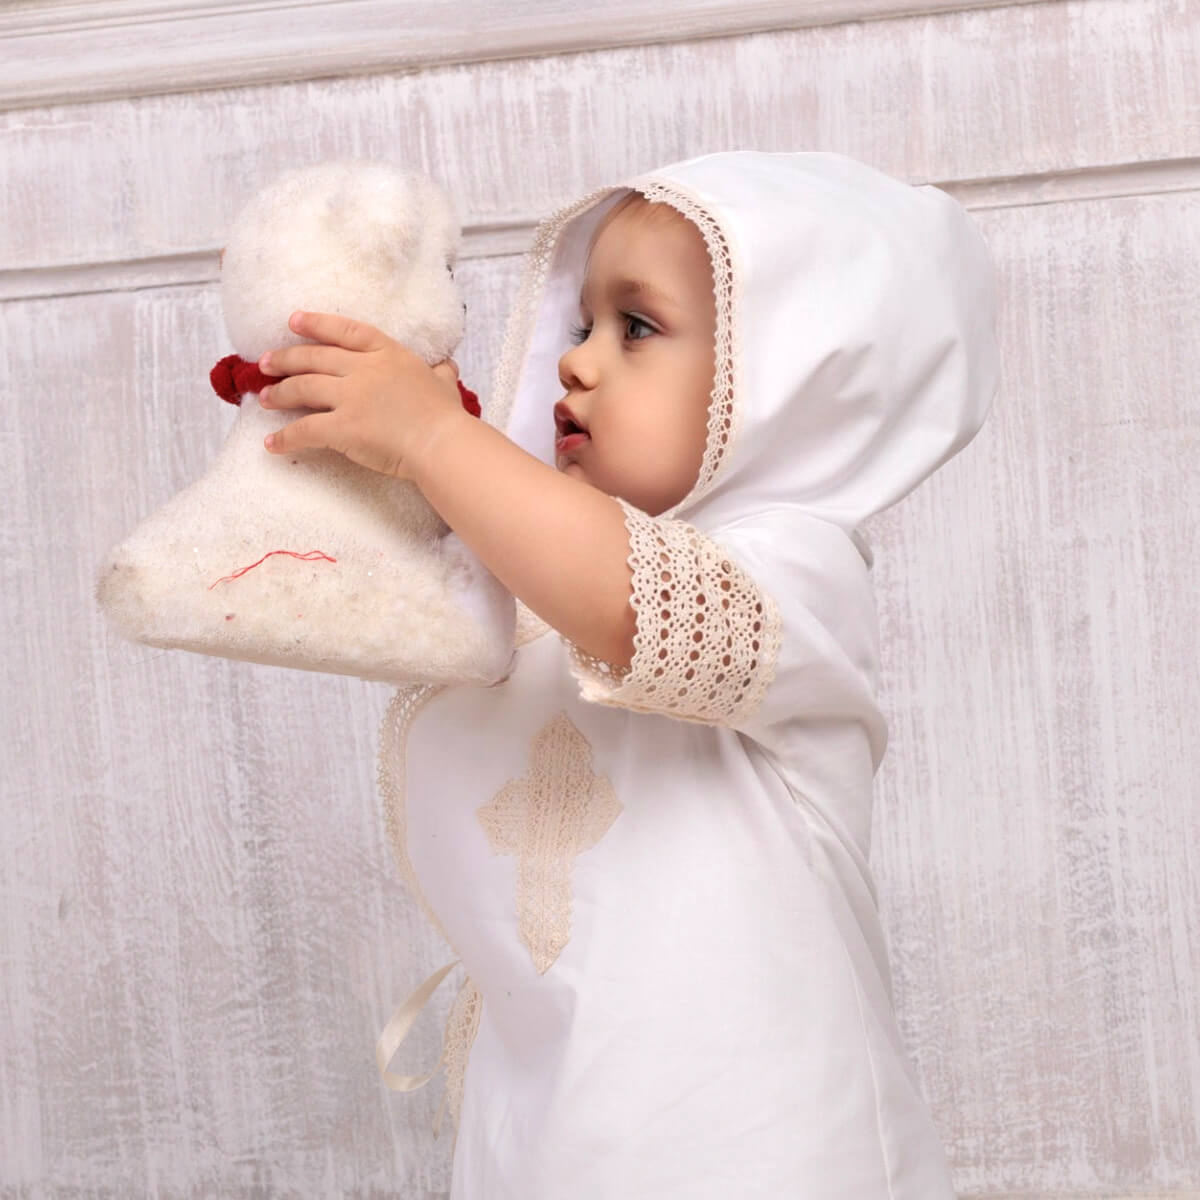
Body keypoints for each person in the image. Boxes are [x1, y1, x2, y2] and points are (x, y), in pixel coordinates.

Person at [254, 149, 1000, 1198]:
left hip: (771, 1146)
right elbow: (413, 590)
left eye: (635, 328)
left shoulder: (792, 571)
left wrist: (433, 438)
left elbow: (624, 597)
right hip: (553, 1122)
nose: (578, 362)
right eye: (578, 323)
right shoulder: (529, 596)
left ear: (787, 377)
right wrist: (385, 443)